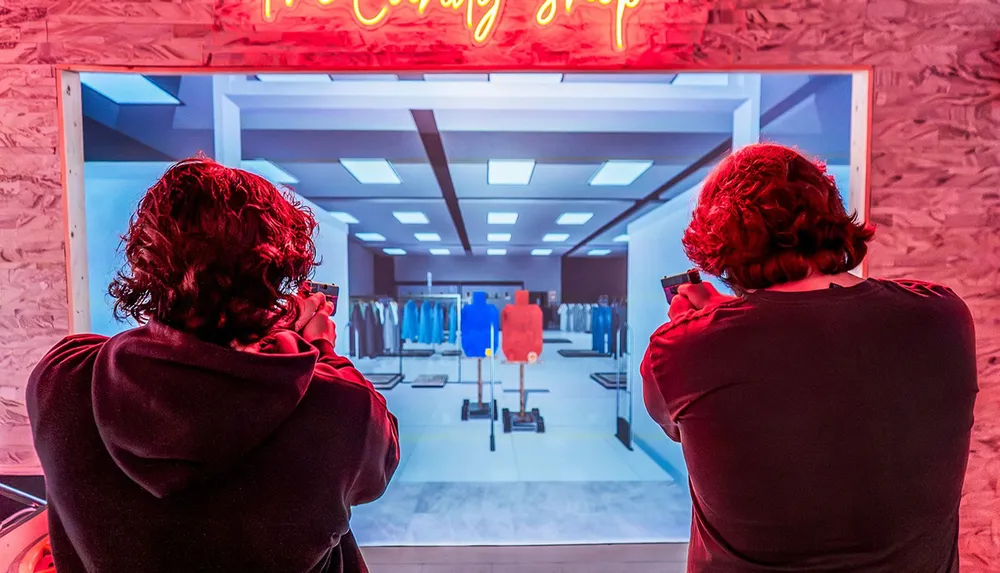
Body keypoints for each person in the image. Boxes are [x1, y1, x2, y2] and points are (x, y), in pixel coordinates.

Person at [27, 158, 399, 573]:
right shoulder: (341, 409)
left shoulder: (61, 378)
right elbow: (379, 465)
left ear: (145, 262)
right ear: (275, 277)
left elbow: (181, 354)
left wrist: (256, 332)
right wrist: (315, 348)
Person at [640, 144, 977, 572]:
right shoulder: (942, 316)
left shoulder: (680, 348)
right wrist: (719, 322)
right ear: (831, 217)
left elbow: (676, 420)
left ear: (720, 248)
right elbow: (816, 346)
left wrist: (706, 325)